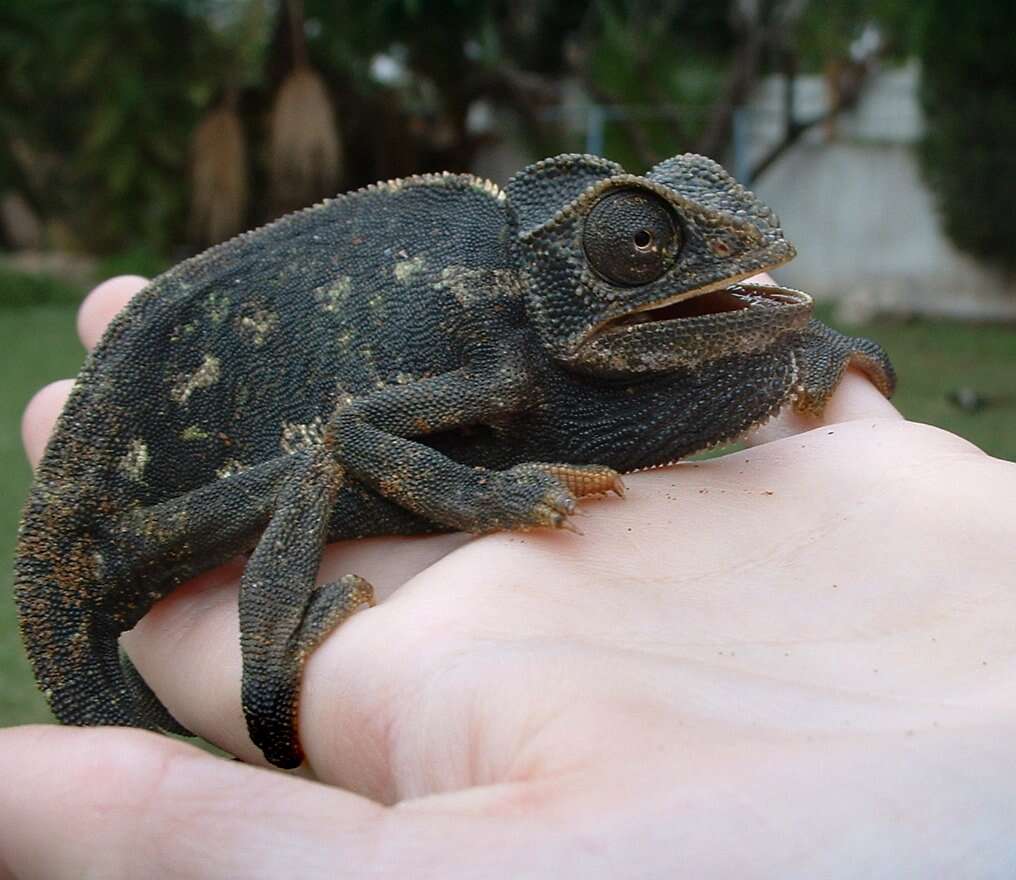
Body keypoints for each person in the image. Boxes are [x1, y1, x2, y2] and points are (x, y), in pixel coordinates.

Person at [2, 274, 1014, 878]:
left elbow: (662, 367)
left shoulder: (570, 327)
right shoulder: (510, 346)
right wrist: (488, 502)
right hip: (117, 531)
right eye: (640, 250)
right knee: (325, 460)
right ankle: (266, 652)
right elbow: (352, 435)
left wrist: (790, 346)